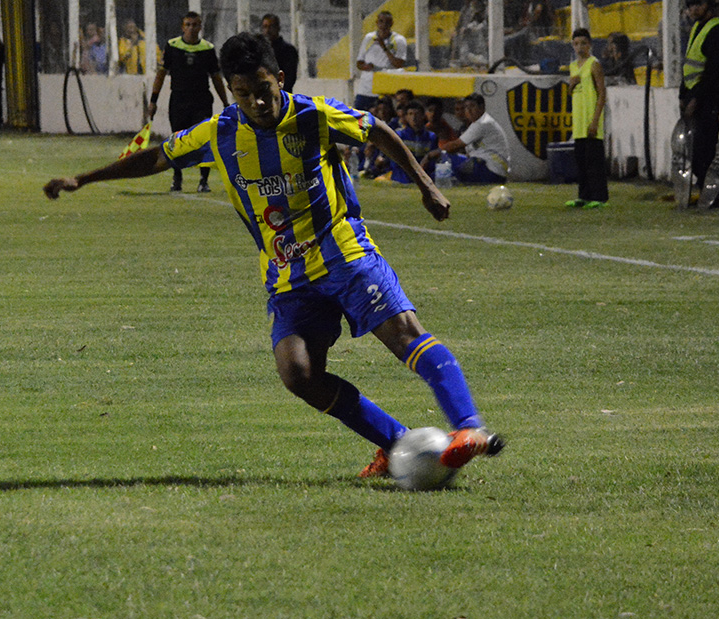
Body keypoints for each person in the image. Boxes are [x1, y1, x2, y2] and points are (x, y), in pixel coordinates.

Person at [43, 32, 504, 480]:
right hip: (287, 275)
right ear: (231, 91)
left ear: (279, 79)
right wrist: (83, 179)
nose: (256, 103)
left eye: (263, 90)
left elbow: (377, 130)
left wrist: (426, 186)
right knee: (298, 373)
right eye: (243, 94)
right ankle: (397, 442)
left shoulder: (314, 115)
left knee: (403, 334)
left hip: (344, 252)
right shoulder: (218, 132)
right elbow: (156, 157)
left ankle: (469, 427)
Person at [148, 11, 229, 193]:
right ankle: (177, 178)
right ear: (182, 27)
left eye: (195, 25)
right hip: (179, 100)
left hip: (201, 100)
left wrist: (225, 102)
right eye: (188, 25)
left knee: (203, 140)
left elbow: (216, 77)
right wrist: (153, 100)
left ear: (200, 27)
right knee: (177, 140)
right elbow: (161, 75)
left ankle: (204, 180)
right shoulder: (172, 46)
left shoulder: (207, 49)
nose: (192, 28)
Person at [681, 0, 719, 207]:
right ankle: (705, 193)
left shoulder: (717, 31)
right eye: (690, 5)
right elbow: (689, 63)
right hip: (696, 93)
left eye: (697, 5)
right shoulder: (698, 27)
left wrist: (695, 99)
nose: (693, 9)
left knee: (706, 147)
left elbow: (711, 72)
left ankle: (712, 197)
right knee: (697, 147)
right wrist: (684, 94)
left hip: (707, 95)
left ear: (707, 5)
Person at [424, 93, 510, 184]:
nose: (468, 110)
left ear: (482, 107)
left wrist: (430, 155)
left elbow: (455, 145)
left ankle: (437, 181)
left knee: (446, 158)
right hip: (495, 171)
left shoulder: (482, 123)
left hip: (491, 170)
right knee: (456, 161)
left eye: (472, 106)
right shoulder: (479, 123)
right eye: (466, 107)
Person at [566, 28, 609, 208]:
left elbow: (601, 93)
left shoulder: (594, 64)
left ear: (590, 44)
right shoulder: (573, 67)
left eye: (583, 43)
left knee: (594, 161)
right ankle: (583, 195)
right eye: (576, 44)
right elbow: (572, 93)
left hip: (591, 120)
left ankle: (599, 198)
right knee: (581, 160)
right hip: (579, 121)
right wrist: (571, 85)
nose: (580, 47)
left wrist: (595, 120)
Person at [354, 11, 408, 111]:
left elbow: (399, 64)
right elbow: (359, 62)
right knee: (358, 119)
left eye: (387, 22)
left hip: (385, 91)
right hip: (365, 89)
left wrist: (384, 47)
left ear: (391, 24)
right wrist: (365, 67)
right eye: (381, 21)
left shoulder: (398, 40)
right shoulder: (369, 38)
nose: (384, 25)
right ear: (377, 23)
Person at [392, 101, 439, 184]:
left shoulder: (431, 137)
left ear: (423, 116)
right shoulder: (399, 135)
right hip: (402, 177)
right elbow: (395, 161)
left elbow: (433, 162)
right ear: (406, 117)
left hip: (424, 176)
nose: (414, 117)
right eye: (410, 114)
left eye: (417, 114)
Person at [260, 13, 299, 93]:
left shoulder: (288, 50)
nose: (267, 30)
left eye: (271, 27)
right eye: (265, 27)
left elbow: (289, 78)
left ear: (278, 28)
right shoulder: (259, 49)